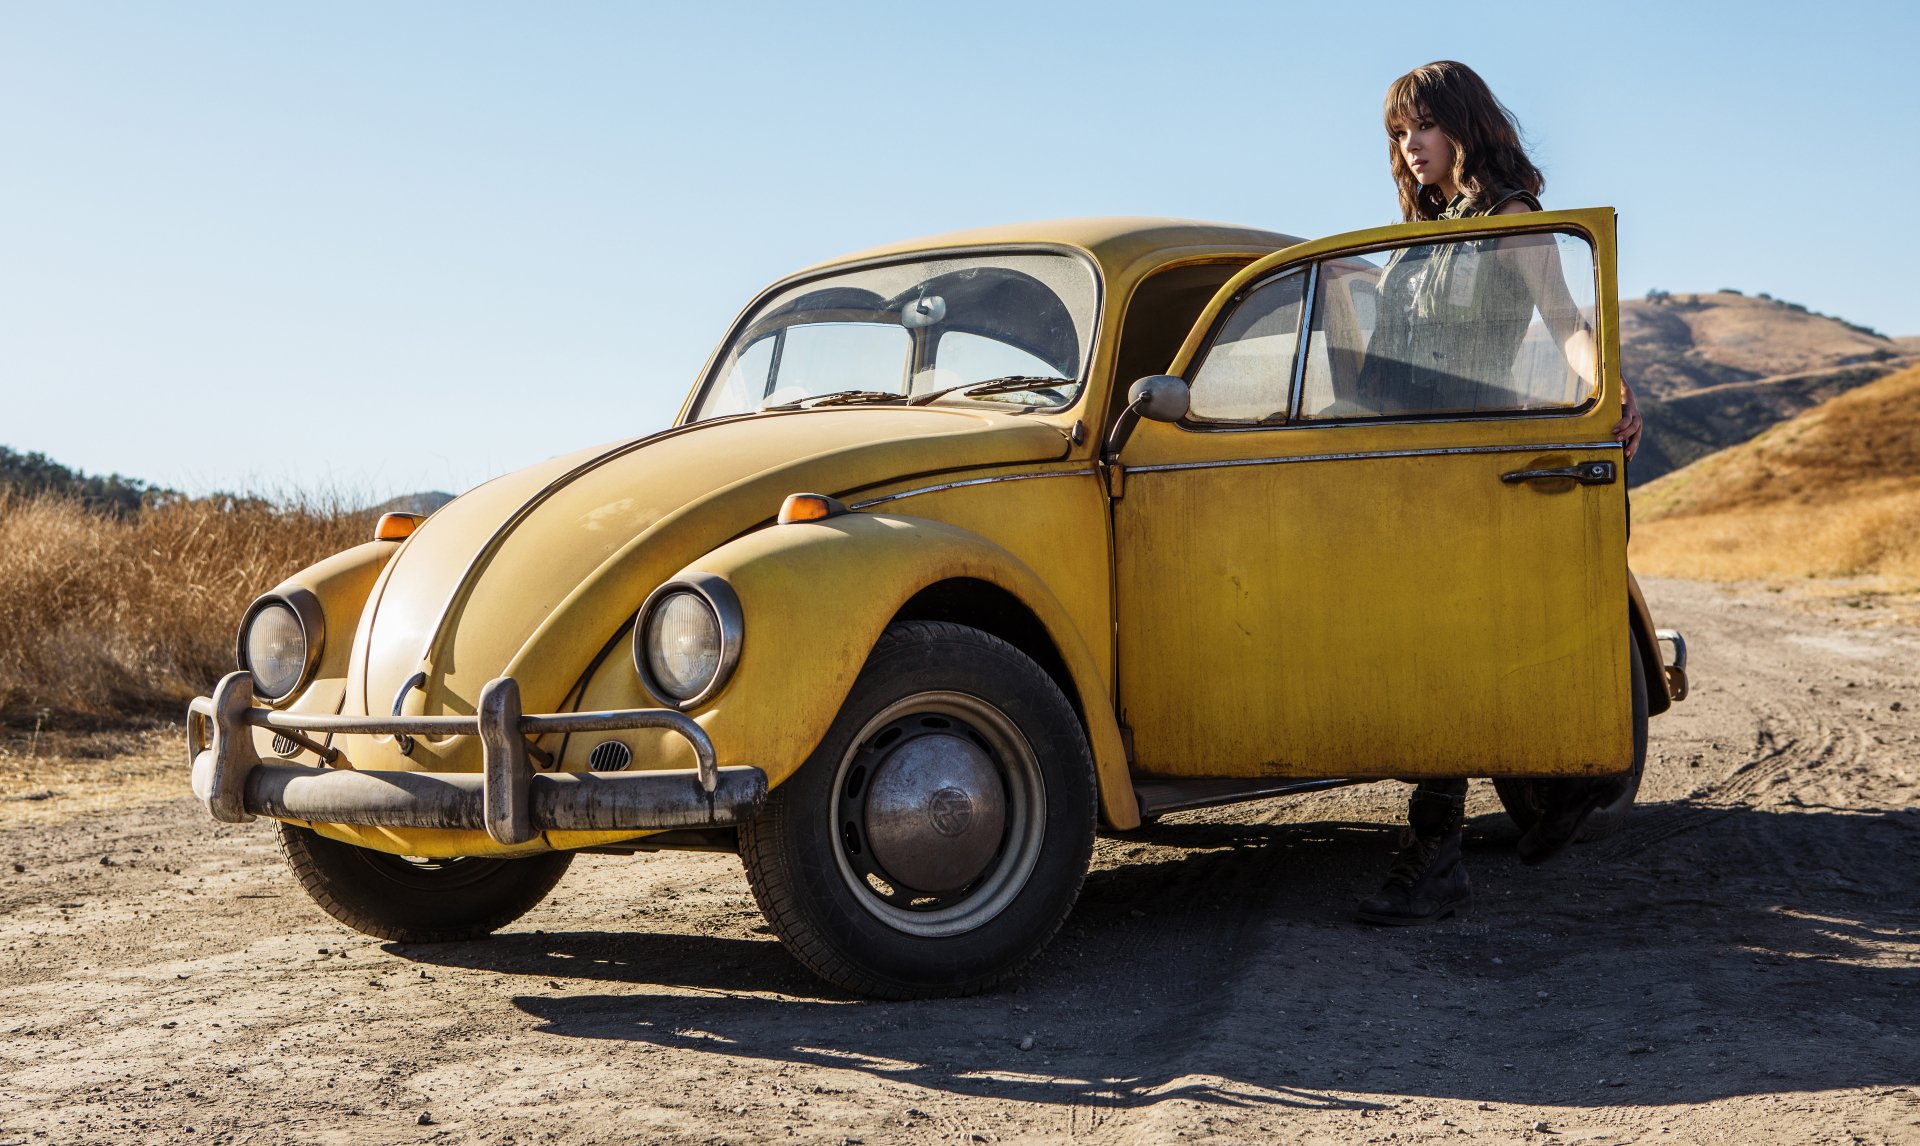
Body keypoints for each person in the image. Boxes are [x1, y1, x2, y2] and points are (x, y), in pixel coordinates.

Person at [1354, 60, 1643, 927]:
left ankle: (1440, 849)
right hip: (1409, 462)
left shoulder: (1509, 218)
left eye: (1423, 127)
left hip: (1472, 457)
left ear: (1466, 127)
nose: (1409, 149)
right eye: (1399, 134)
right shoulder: (1427, 229)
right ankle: (1566, 781)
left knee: (1438, 654)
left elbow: (1563, 322)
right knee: (1434, 648)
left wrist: (1610, 391)